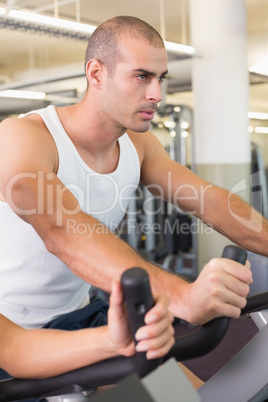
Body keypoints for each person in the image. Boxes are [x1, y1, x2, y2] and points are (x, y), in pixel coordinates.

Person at [0, 16, 259, 336]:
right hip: (12, 332)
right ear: (96, 73)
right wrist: (181, 295)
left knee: (175, 387)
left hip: (78, 316)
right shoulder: (23, 136)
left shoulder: (139, 145)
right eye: (141, 76)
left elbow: (211, 201)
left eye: (160, 78)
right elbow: (60, 229)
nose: (157, 93)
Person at [0, 281, 175, 380]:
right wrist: (109, 341)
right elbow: (12, 347)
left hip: (82, 318)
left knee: (170, 384)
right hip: (20, 361)